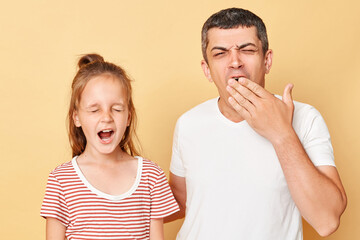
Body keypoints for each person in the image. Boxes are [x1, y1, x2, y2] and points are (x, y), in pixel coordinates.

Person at [168, 8, 347, 240]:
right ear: (207, 70)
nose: (235, 62)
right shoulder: (188, 123)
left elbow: (327, 220)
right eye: (220, 53)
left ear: (267, 60)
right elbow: (181, 201)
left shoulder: (306, 118)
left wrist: (282, 133)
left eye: (247, 50)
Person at [41, 54, 179, 240]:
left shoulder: (150, 176)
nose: (106, 117)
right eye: (94, 110)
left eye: (117, 109)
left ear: (128, 117)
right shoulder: (61, 180)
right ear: (77, 118)